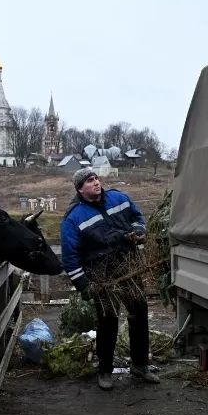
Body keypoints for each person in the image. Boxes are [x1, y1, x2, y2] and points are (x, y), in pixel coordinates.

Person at [60, 167, 161, 390]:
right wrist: (84, 285)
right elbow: (70, 256)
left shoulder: (119, 198)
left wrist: (138, 230)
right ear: (80, 189)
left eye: (96, 178)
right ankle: (105, 371)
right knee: (108, 321)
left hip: (129, 267)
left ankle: (140, 366)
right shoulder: (73, 218)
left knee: (139, 313)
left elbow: (137, 216)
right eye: (89, 181)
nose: (96, 182)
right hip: (103, 276)